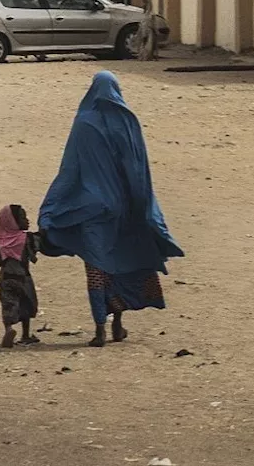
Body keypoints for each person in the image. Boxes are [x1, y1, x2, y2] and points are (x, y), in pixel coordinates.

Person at [38, 71, 184, 347]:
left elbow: (70, 170)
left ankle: (99, 329)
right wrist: (145, 208)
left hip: (89, 209)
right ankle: (118, 324)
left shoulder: (83, 123)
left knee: (96, 269)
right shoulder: (126, 123)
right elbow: (138, 169)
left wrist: (50, 209)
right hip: (122, 208)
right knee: (121, 265)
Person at [0, 204, 40, 349]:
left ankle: (9, 329)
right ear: (13, 222)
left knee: (8, 305)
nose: (27, 220)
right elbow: (36, 249)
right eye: (23, 218)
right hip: (24, 276)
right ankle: (25, 334)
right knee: (26, 303)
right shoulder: (27, 239)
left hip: (7, 277)